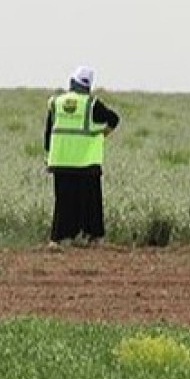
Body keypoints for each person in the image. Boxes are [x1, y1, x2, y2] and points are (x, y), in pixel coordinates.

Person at [43, 65, 119, 248]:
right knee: (90, 202)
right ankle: (92, 237)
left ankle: (60, 239)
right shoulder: (92, 104)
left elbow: (48, 132)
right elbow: (114, 118)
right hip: (86, 163)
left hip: (60, 161)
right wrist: (104, 133)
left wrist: (48, 154)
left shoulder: (56, 102)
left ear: (72, 82)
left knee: (63, 202)